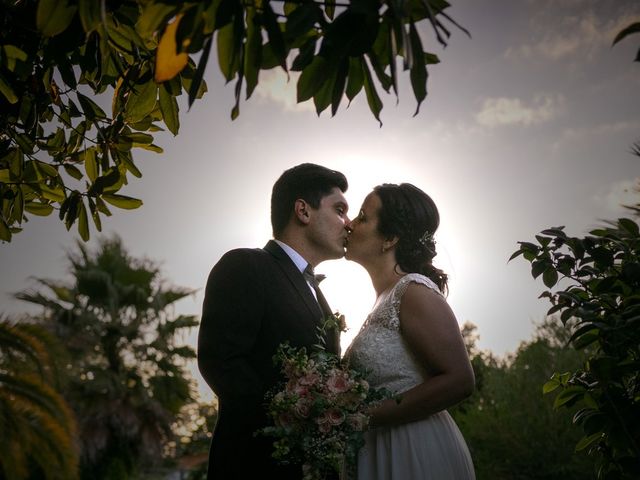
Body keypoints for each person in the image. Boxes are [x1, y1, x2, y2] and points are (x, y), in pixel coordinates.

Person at [197, 163, 350, 480]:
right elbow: (221, 361)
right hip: (253, 466)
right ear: (303, 211)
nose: (348, 224)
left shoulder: (320, 296)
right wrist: (293, 416)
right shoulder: (246, 265)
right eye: (339, 210)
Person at [343, 183, 476, 479]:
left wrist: (364, 417)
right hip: (377, 449)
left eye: (363, 217)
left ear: (390, 238)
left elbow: (460, 380)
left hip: (412, 450)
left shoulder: (413, 291)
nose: (350, 224)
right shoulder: (383, 299)